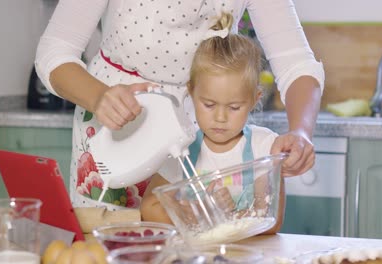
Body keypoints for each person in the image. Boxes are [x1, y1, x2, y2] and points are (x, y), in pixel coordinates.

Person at [35, 0, 324, 211]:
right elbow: (55, 51)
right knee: (107, 242)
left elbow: (296, 63)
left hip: (200, 131)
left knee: (197, 238)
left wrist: (301, 132)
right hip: (115, 123)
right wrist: (99, 96)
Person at [141, 12, 284, 233]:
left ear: (255, 99)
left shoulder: (262, 146)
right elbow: (149, 208)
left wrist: (221, 217)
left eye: (234, 107)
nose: (220, 117)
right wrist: (191, 213)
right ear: (191, 92)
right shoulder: (183, 149)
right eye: (209, 104)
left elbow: (268, 218)